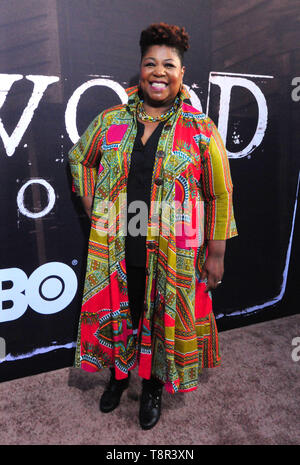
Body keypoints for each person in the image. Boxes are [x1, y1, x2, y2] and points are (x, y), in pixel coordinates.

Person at [68, 22, 237, 430]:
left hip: (172, 251)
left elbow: (220, 193)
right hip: (118, 245)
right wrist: (96, 210)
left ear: (181, 73)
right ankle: (118, 377)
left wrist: (216, 254)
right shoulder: (111, 120)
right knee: (122, 311)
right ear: (140, 68)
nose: (158, 72)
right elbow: (79, 159)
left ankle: (154, 387)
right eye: (150, 63)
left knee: (161, 318)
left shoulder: (201, 131)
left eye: (169, 64)